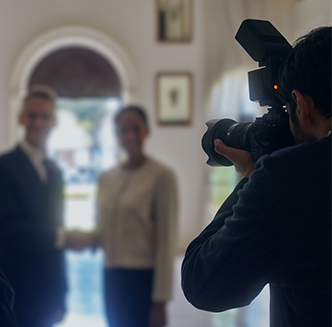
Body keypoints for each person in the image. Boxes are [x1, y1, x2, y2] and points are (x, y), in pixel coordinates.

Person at [181, 26, 331, 327]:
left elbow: (204, 284)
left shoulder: (287, 178)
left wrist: (253, 176)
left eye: (288, 107)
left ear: (301, 105)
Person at [94, 105, 178, 327]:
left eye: (135, 128)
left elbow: (166, 241)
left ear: (146, 131)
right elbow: (101, 231)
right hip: (112, 275)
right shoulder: (106, 178)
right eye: (123, 130)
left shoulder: (162, 176)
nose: (129, 135)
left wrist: (161, 299)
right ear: (116, 134)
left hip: (143, 279)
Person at [0, 86, 67, 327]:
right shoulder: (4, 166)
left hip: (47, 291)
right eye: (32, 115)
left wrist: (61, 293)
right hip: (16, 285)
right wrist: (62, 237)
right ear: (21, 118)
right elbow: (7, 228)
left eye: (45, 116)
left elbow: (56, 223)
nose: (38, 123)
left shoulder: (54, 171)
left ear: (53, 121)